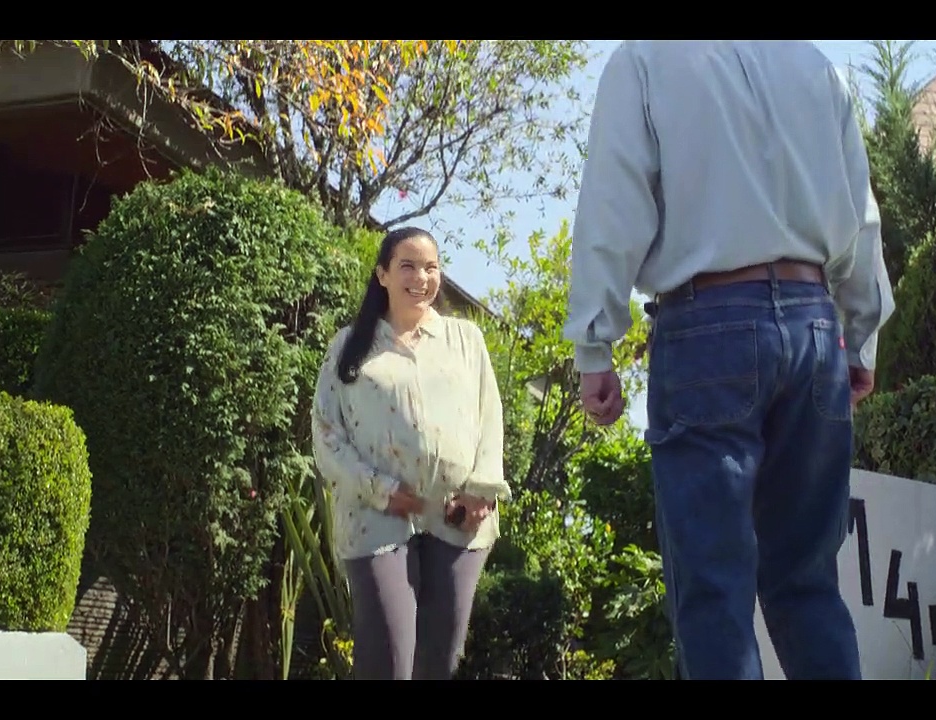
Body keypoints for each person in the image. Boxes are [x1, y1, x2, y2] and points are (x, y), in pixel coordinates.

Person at [563, 41, 895, 680]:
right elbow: (861, 212)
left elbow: (613, 202)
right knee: (808, 581)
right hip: (814, 323)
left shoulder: (645, 60)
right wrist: (861, 336)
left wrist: (595, 345)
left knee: (713, 587)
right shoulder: (815, 66)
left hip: (708, 325)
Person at [310, 226, 511, 680]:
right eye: (408, 266)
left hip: (456, 520)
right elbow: (326, 434)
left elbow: (490, 418)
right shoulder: (349, 347)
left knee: (439, 664)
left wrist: (481, 490)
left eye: (431, 267)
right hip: (375, 518)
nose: (421, 278)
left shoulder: (466, 340)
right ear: (382, 274)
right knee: (388, 663)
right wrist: (380, 489)